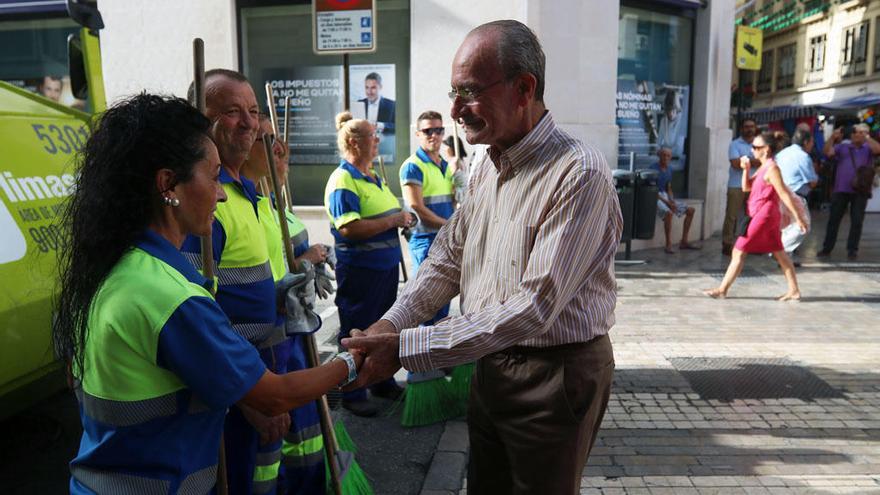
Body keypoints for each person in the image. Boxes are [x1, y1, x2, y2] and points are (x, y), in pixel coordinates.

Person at [343, 20, 621, 494]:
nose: (454, 111)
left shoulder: (579, 173)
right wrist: (389, 326)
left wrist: (408, 349)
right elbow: (448, 259)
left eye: (468, 93)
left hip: (553, 377)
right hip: (489, 363)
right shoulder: (486, 165)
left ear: (524, 88)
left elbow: (533, 307)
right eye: (453, 92)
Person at [53, 94, 362, 495]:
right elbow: (274, 396)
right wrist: (352, 361)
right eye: (214, 177)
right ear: (168, 185)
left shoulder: (116, 266)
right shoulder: (169, 296)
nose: (220, 194)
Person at [181, 69, 291, 494]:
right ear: (200, 119)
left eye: (253, 111)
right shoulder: (203, 200)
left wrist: (280, 296)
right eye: (231, 112)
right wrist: (246, 396)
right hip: (226, 387)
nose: (250, 123)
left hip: (256, 368)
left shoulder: (246, 191)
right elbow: (196, 318)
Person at [241, 114, 331, 494]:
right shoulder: (229, 205)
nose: (279, 149)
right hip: (259, 356)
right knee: (264, 457)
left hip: (291, 340)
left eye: (277, 140)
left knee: (306, 437)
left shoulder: (267, 203)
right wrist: (305, 263)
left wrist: (309, 269)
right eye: (266, 140)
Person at [324, 111, 412, 417]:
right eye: (371, 136)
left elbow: (385, 216)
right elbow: (349, 227)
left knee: (380, 328)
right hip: (361, 270)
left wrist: (402, 220)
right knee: (357, 329)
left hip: (383, 269)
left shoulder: (373, 176)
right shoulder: (343, 179)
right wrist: (394, 219)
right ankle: (352, 389)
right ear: (352, 141)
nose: (378, 141)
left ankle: (380, 380)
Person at [704, 131, 807, 301]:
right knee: (780, 253)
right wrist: (745, 169)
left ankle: (722, 289)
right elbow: (746, 187)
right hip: (760, 214)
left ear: (765, 150)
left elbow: (783, 194)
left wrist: (799, 217)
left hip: (764, 215)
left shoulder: (772, 168)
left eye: (755, 147)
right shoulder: (763, 166)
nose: (752, 150)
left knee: (738, 250)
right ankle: (794, 290)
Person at [399, 110, 455, 321]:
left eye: (439, 130)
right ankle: (421, 349)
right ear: (417, 134)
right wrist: (450, 226)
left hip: (444, 239)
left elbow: (454, 199)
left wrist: (459, 174)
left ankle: (437, 350)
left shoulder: (445, 164)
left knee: (443, 300)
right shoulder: (413, 166)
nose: (434, 135)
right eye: (428, 130)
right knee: (425, 302)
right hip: (425, 240)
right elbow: (417, 207)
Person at [819, 123, 880, 260]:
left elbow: (878, 149)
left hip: (860, 190)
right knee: (834, 220)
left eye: (859, 133)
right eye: (854, 132)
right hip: (841, 189)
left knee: (857, 221)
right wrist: (832, 138)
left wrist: (866, 136)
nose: (856, 135)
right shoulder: (843, 147)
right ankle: (827, 248)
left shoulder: (868, 148)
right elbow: (827, 152)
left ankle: (852, 250)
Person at [776, 127, 817, 265]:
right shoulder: (803, 156)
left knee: (788, 227)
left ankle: (785, 257)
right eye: (812, 142)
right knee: (803, 226)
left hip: (780, 194)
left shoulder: (782, 154)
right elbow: (812, 182)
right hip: (795, 195)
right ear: (806, 142)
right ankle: (779, 250)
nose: (812, 145)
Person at [651, 147, 698, 254]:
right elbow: (652, 190)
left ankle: (684, 241)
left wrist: (671, 200)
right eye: (664, 155)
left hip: (666, 196)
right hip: (656, 197)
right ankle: (668, 244)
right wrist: (668, 203)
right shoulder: (653, 168)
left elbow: (669, 188)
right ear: (659, 156)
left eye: (668, 156)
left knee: (690, 210)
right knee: (669, 213)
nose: (666, 158)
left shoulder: (669, 169)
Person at [723, 118, 758, 256]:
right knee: (732, 216)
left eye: (751, 126)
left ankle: (751, 244)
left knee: (753, 216)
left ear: (755, 128)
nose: (749, 129)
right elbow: (736, 164)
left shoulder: (758, 144)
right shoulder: (734, 144)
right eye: (746, 126)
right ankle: (727, 244)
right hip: (736, 185)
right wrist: (753, 161)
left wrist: (746, 160)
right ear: (742, 128)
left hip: (754, 186)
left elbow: (763, 161)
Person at [441, 134, 469, 205]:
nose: (444, 149)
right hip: (463, 195)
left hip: (459, 197)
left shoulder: (455, 162)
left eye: (446, 146)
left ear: (451, 148)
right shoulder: (459, 161)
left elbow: (448, 180)